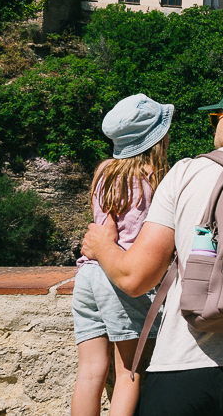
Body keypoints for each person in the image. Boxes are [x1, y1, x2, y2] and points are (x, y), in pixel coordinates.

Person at [81, 84, 223, 416]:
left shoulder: (187, 172)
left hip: (186, 362)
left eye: (215, 118)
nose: (215, 126)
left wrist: (103, 246)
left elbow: (135, 278)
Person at [71, 94, 173, 416]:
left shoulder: (103, 172)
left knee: (89, 372)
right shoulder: (155, 179)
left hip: (87, 275)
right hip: (119, 274)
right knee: (129, 371)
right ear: (157, 138)